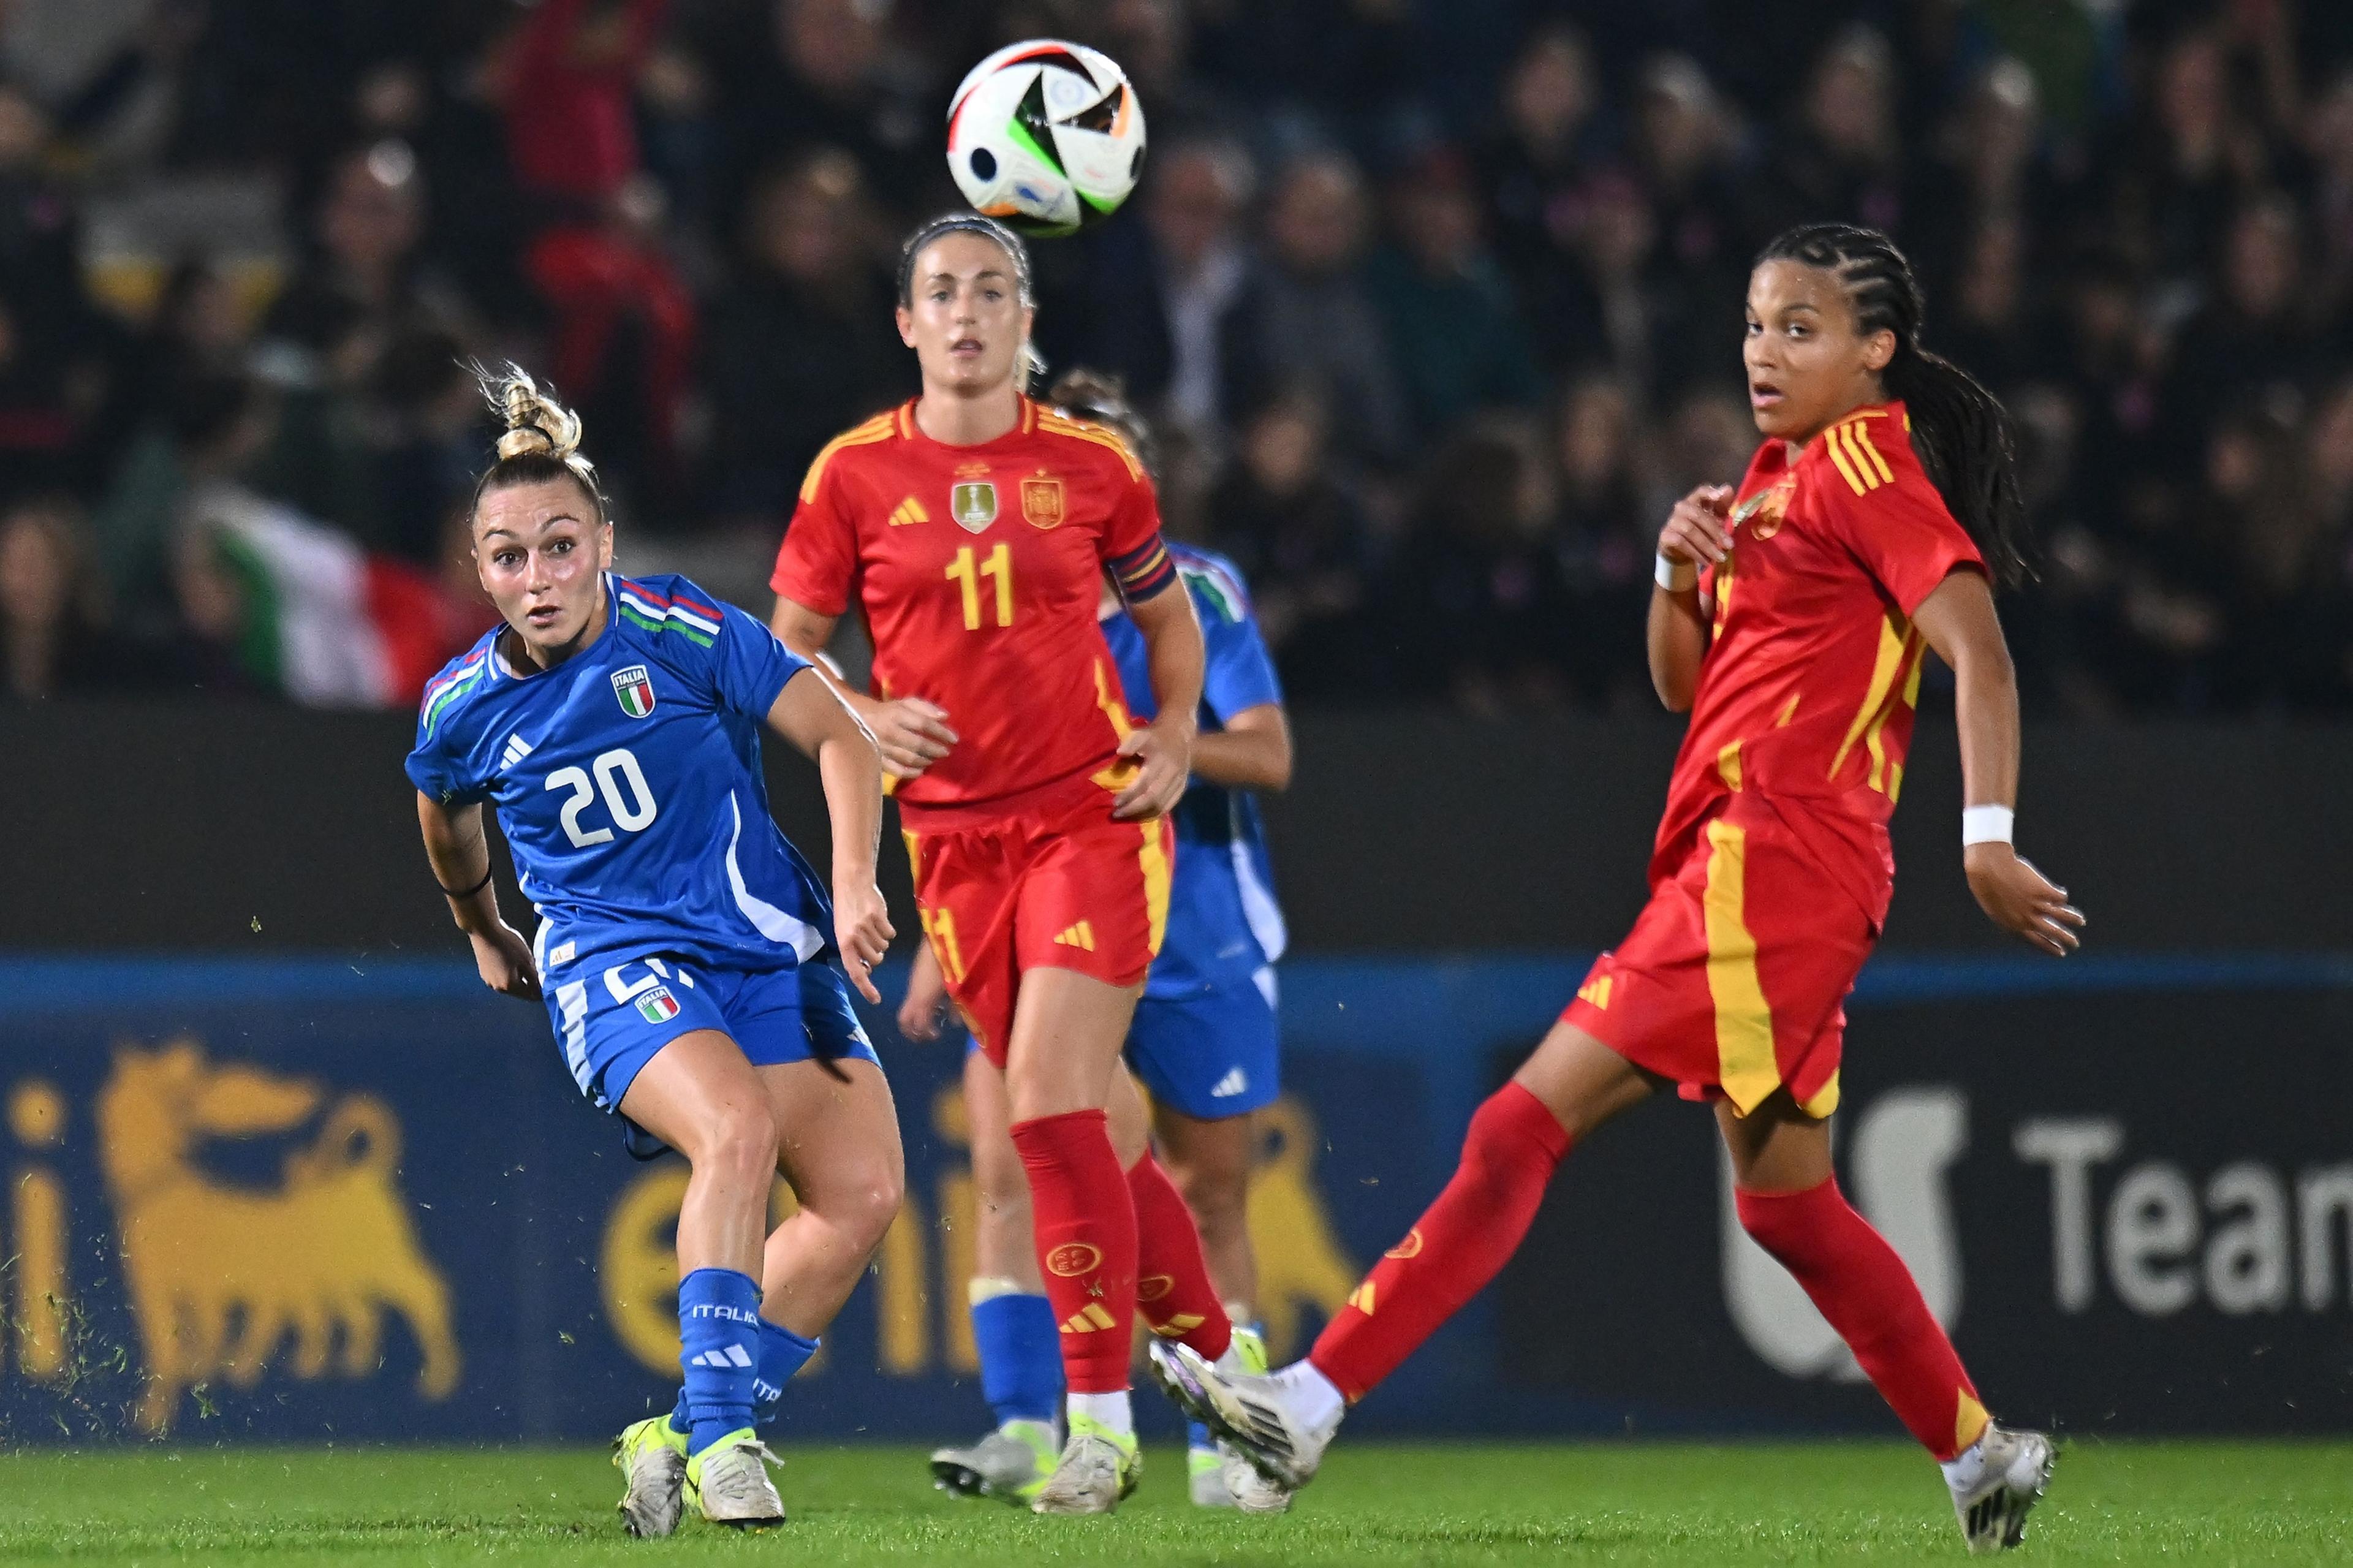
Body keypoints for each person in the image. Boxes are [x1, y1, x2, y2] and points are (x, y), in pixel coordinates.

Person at [1153, 223, 2085, 1554]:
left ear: (1877, 352)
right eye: (1758, 323)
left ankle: (1305, 1399)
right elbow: (1677, 685)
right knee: (1789, 1207)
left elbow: (1979, 651)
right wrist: (1673, 565)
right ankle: (1983, 1453)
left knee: (1517, 1126)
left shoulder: (1868, 463)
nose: (1765, 350)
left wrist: (1985, 836)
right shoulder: (1775, 478)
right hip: (1767, 863)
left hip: (1773, 861)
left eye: (1802, 327)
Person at [768, 214, 1231, 1513]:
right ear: (906, 325)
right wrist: (856, 706)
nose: (965, 313)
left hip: (1091, 817)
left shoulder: (1091, 466)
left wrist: (1181, 731)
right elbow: (784, 656)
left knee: (1039, 1107)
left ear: (1027, 324)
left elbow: (1166, 611)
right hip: (952, 846)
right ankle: (1226, 1362)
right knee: (1108, 1138)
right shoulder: (853, 474)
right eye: (939, 294)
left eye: (990, 291)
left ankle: (1096, 1425)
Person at [407, 368, 900, 1536]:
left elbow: (840, 737)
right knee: (734, 1129)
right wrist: (484, 929)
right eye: (511, 557)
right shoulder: (461, 707)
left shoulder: (678, 627)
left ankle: (674, 1434)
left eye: (561, 547)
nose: (539, 579)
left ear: (605, 545)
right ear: (480, 573)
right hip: (611, 959)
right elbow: (442, 810)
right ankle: (729, 1441)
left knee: (864, 1196)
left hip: (766, 946)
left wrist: (851, 876)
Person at [907, 370, 1294, 1510]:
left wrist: (1138, 744)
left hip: (1196, 932)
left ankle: (1233, 1431)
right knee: (1013, 1161)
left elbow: (1266, 752)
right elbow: (959, 784)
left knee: (1208, 1190)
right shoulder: (990, 601)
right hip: (1033, 914)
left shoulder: (1200, 595)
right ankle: (1032, 1426)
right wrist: (941, 934)